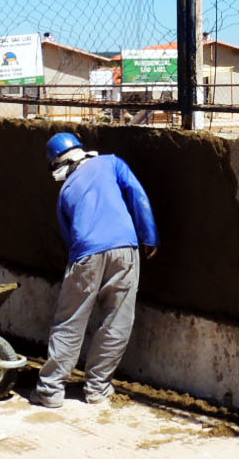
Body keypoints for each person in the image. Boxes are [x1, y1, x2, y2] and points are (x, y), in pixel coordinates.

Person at [31, 132, 157, 408]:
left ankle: (50, 390)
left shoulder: (65, 192)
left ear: (56, 165)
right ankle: (97, 389)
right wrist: (149, 236)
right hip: (125, 247)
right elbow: (137, 194)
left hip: (85, 255)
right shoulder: (111, 163)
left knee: (70, 320)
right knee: (117, 320)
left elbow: (70, 239)